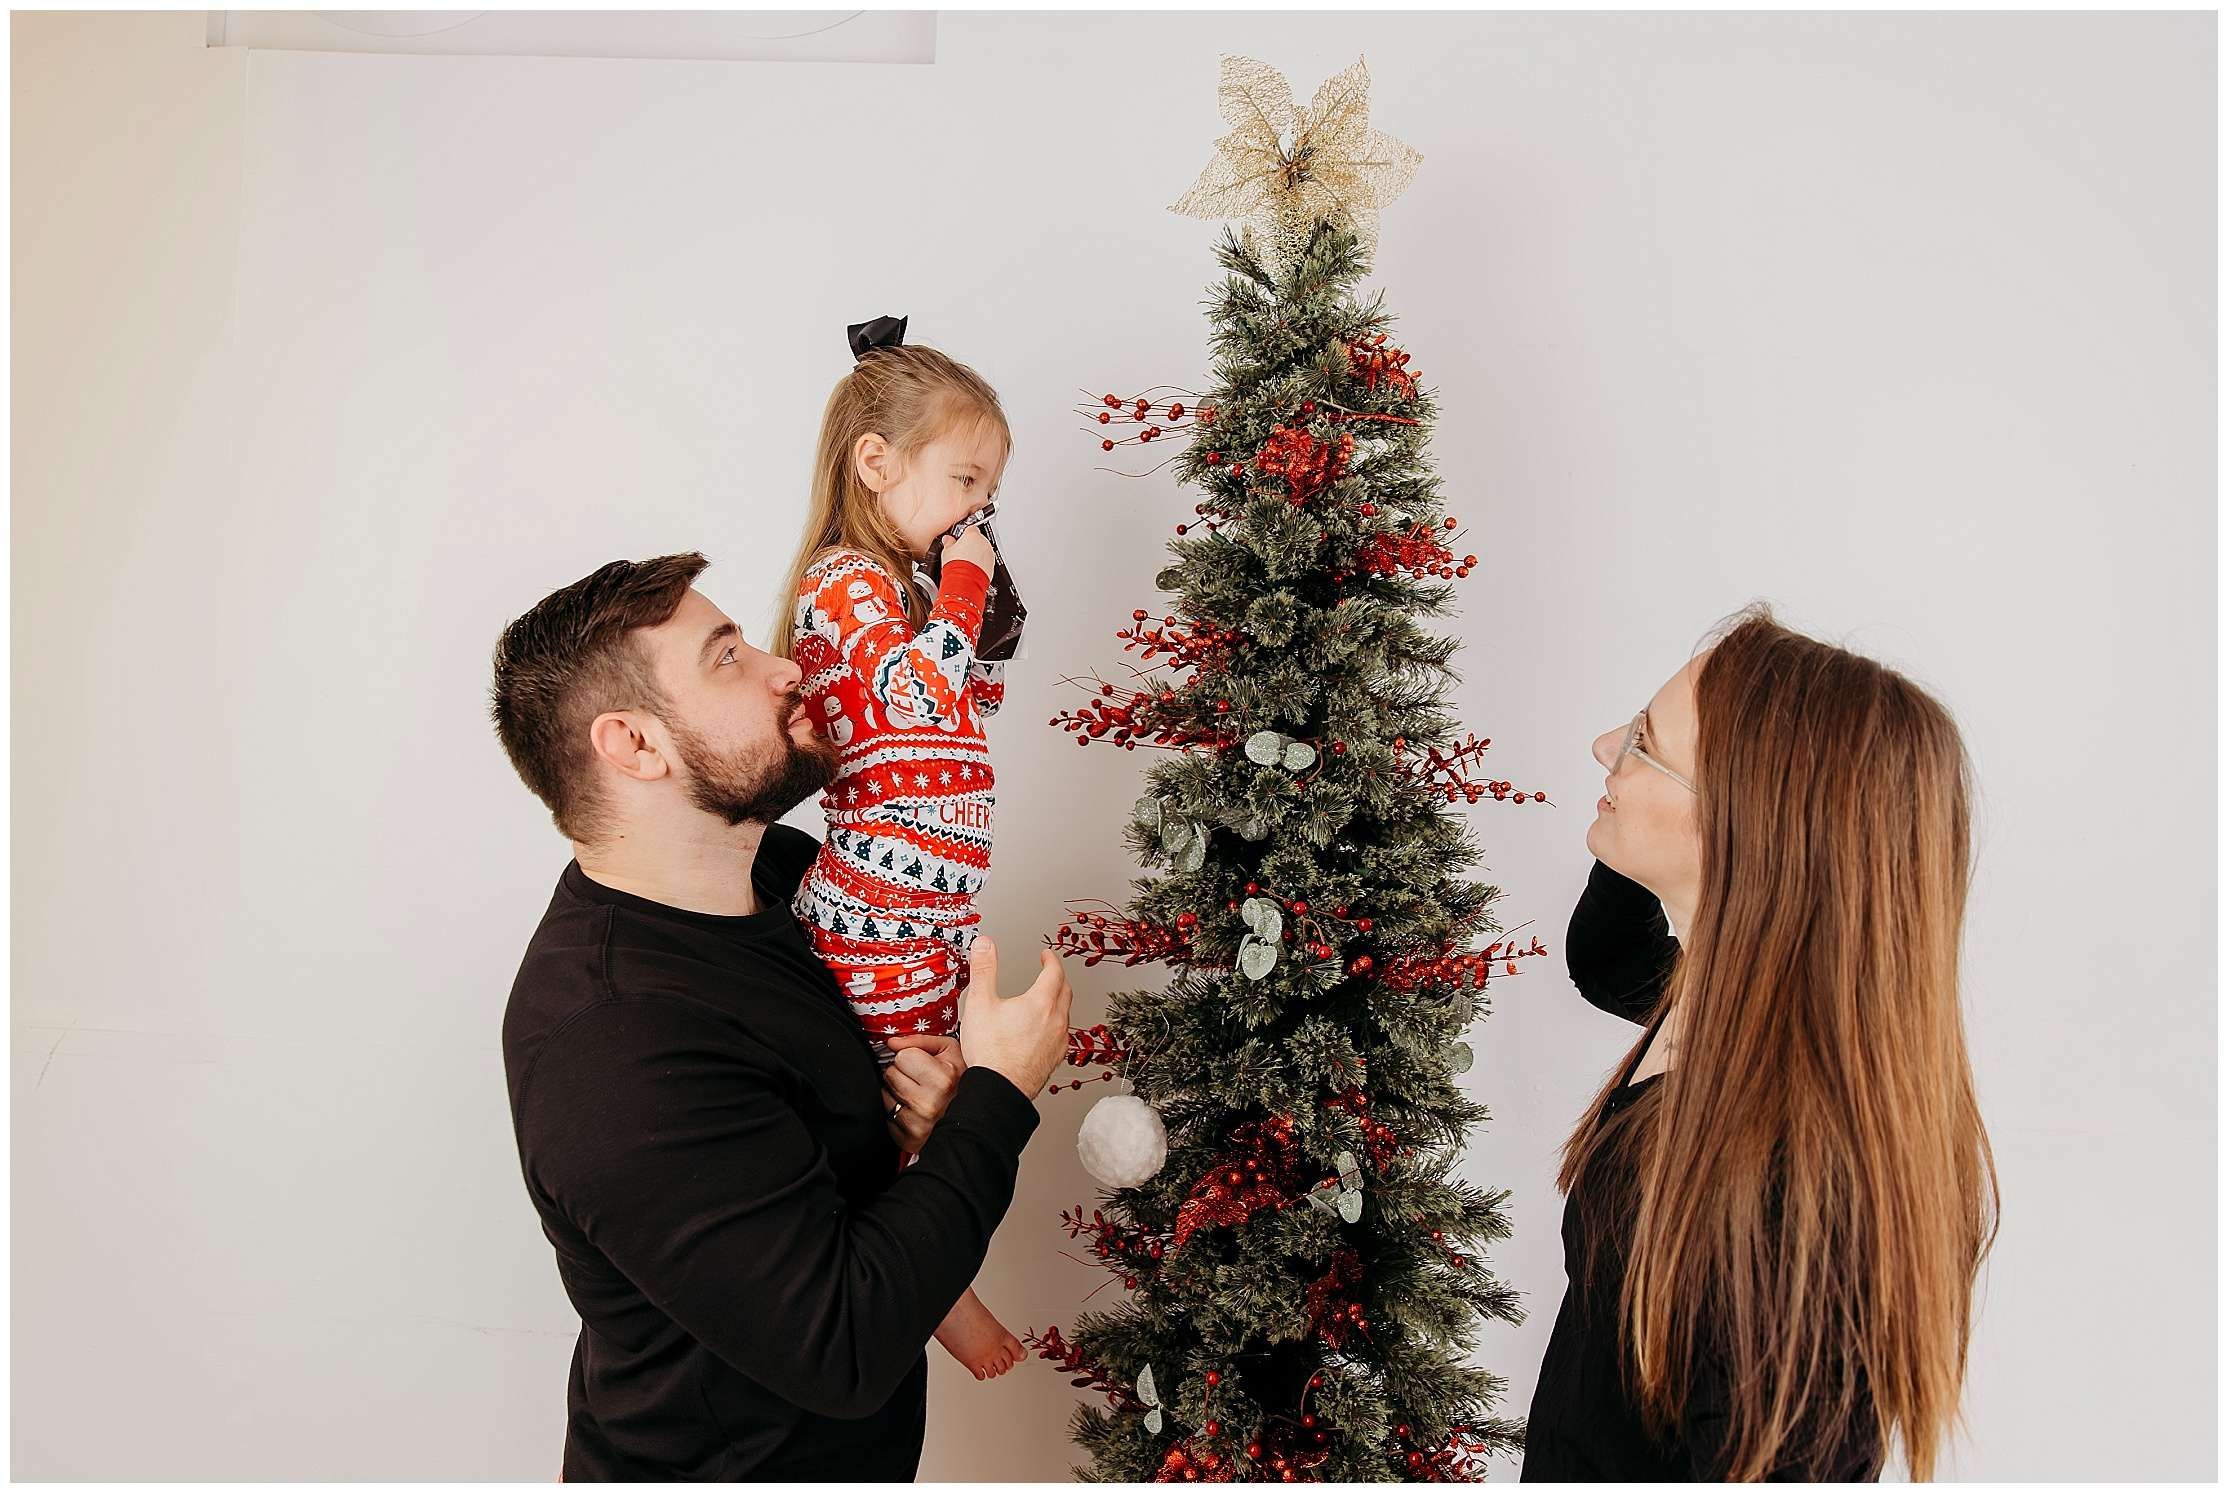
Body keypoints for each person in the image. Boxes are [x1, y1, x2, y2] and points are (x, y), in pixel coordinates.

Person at [488, 551, 1072, 1480]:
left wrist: (934, 1104)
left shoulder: (785, 876)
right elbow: (843, 1343)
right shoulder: (612, 1045)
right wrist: (1000, 1098)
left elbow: (848, 1135)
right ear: (635, 744)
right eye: (726, 657)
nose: (786, 664)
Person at [1523, 605, 2000, 1481]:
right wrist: (1672, 810)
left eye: (1639, 741)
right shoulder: (1727, 1010)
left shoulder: (1787, 1195)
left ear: (1747, 824)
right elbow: (1607, 959)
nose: (1601, 747)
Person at [773, 317, 1024, 1379]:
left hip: (928, 908)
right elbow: (919, 696)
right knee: (902, 1096)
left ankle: (936, 1287)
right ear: (875, 463)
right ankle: (943, 1299)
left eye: (989, 488)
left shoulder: (905, 592)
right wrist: (957, 590)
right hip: (876, 895)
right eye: (964, 478)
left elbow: (973, 694)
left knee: (921, 1089)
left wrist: (980, 601)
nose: (979, 507)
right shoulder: (842, 580)